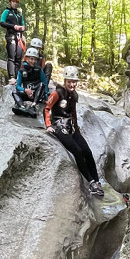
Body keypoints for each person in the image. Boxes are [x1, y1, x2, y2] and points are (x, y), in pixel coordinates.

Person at [44, 66, 104, 198]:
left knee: (87, 151)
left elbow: (73, 112)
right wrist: (48, 125)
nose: (72, 84)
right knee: (77, 151)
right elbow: (47, 108)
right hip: (59, 126)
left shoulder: (74, 95)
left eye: (74, 81)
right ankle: (91, 182)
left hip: (71, 126)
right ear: (65, 81)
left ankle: (97, 181)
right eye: (69, 81)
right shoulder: (57, 93)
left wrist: (76, 127)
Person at [12, 47, 50, 116]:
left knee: (41, 84)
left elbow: (44, 83)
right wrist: (25, 90)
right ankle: (21, 107)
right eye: (31, 59)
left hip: (36, 94)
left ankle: (33, 105)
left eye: (35, 59)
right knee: (14, 92)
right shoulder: (21, 71)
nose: (33, 61)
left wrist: (46, 97)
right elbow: (18, 86)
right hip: (27, 93)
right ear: (26, 59)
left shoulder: (38, 70)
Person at [0, 0, 26, 81]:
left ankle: (18, 77)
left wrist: (22, 28)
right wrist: (13, 26)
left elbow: (23, 24)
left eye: (16, 2)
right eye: (13, 1)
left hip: (19, 38)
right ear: (10, 2)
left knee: (18, 58)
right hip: (10, 36)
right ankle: (11, 77)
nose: (15, 3)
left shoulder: (19, 14)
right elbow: (2, 22)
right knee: (12, 57)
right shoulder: (6, 12)